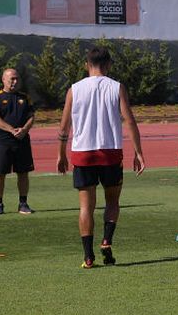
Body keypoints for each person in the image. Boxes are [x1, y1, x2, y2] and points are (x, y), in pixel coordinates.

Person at [56, 47, 146, 268]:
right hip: (110, 152)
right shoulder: (117, 87)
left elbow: (63, 127)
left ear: (87, 64)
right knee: (112, 201)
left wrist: (61, 154)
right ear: (108, 65)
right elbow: (130, 121)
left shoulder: (74, 90)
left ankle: (88, 256)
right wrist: (138, 152)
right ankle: (107, 240)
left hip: (82, 153)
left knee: (86, 207)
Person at [0, 68, 36, 215]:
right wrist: (11, 130)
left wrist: (24, 130)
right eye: (12, 79)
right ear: (4, 80)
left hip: (22, 141)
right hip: (3, 141)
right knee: (0, 173)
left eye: (17, 79)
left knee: (23, 173)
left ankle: (23, 204)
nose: (15, 82)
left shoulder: (25, 97)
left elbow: (31, 116)